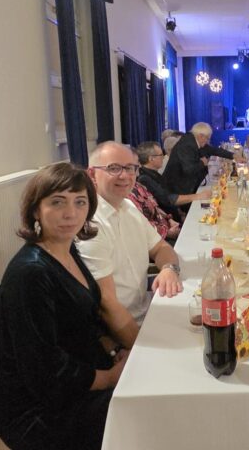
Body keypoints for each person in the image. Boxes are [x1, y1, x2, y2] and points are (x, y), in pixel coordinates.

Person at [0, 162, 129, 450]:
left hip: (73, 385)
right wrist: (109, 378)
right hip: (40, 413)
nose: (71, 213)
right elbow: (44, 369)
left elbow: (83, 323)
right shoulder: (30, 273)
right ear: (36, 210)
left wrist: (114, 351)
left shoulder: (66, 251)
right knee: (146, 410)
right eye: (57, 202)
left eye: (80, 202)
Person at [78, 142, 182, 344]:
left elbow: (161, 248)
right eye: (114, 168)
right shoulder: (90, 224)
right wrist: (138, 347)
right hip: (124, 331)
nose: (125, 176)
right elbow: (107, 304)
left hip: (149, 310)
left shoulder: (128, 206)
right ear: (92, 174)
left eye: (130, 168)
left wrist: (169, 269)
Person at [136, 141, 209, 218]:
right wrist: (198, 196)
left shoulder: (153, 173)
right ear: (151, 159)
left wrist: (180, 212)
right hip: (169, 220)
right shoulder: (144, 179)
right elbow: (167, 199)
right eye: (161, 155)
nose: (163, 157)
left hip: (176, 214)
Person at [162, 122, 237, 198]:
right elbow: (189, 170)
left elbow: (213, 150)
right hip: (175, 190)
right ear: (201, 136)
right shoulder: (187, 146)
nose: (208, 141)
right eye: (207, 138)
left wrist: (233, 155)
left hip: (181, 186)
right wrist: (202, 163)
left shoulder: (192, 140)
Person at [128, 178, 181, 242]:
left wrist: (169, 219)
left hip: (167, 229)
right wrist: (167, 233)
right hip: (156, 241)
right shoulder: (125, 199)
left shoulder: (136, 185)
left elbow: (155, 207)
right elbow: (143, 226)